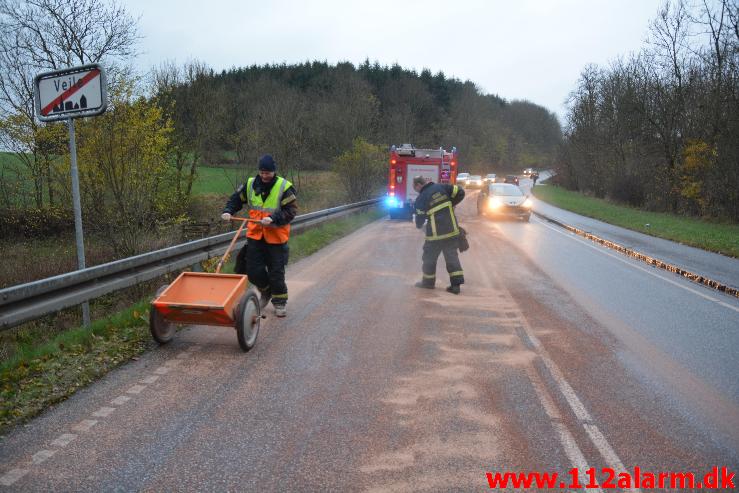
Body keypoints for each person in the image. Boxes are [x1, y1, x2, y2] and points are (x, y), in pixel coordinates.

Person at [221, 155, 297, 317]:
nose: (264, 176)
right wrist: (228, 211)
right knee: (252, 270)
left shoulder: (284, 187)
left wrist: (273, 218)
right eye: (262, 172)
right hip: (255, 235)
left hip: (276, 237)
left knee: (276, 271)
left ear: (273, 172)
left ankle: (280, 302)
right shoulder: (250, 184)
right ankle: (266, 290)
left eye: (267, 173)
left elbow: (291, 211)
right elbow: (236, 199)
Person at [412, 175, 465, 294]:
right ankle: (456, 286)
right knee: (451, 257)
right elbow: (460, 191)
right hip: (451, 230)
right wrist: (451, 203)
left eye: (415, 188)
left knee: (429, 258)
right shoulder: (442, 187)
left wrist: (419, 225)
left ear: (418, 185)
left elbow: (420, 219)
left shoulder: (421, 199)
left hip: (435, 236)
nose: (415, 190)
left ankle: (428, 283)